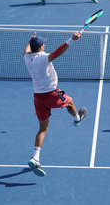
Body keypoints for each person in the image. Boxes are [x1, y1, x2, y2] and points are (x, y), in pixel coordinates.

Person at [23, 32, 87, 176]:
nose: (44, 44)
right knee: (70, 102)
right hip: (51, 94)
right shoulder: (44, 58)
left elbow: (26, 49)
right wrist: (72, 39)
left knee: (43, 128)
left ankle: (35, 158)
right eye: (43, 43)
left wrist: (30, 40)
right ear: (40, 47)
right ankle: (77, 119)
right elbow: (59, 52)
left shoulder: (26, 57)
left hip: (38, 98)